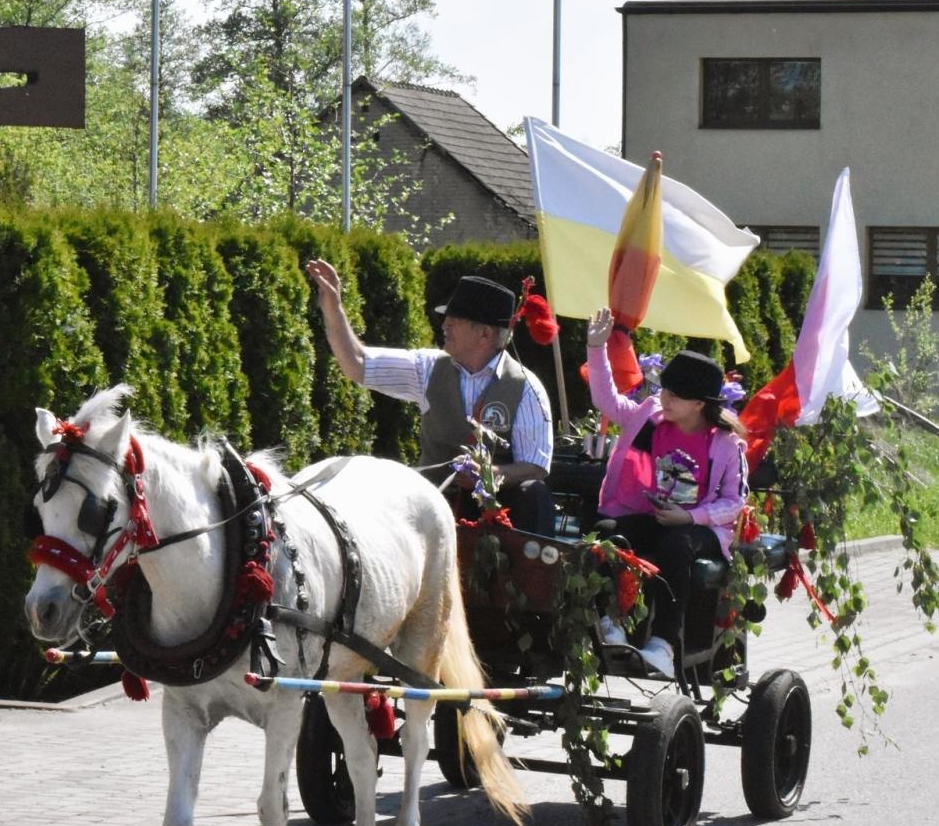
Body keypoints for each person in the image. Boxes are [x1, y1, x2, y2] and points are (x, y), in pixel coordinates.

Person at [307, 261, 556, 533]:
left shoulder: (526, 388)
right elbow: (358, 363)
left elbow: (535, 468)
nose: (445, 324)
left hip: (496, 520)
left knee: (534, 494)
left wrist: (491, 475)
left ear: (484, 332)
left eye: (455, 319)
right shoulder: (427, 367)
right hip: (428, 508)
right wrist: (333, 308)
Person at [585, 307, 749, 677]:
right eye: (664, 391)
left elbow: (734, 503)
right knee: (609, 535)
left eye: (675, 395)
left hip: (701, 529)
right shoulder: (652, 417)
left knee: (677, 546)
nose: (665, 399)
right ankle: (612, 622)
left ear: (699, 404)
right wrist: (596, 348)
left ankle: (663, 644)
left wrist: (689, 517)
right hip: (657, 514)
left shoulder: (725, 444)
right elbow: (607, 401)